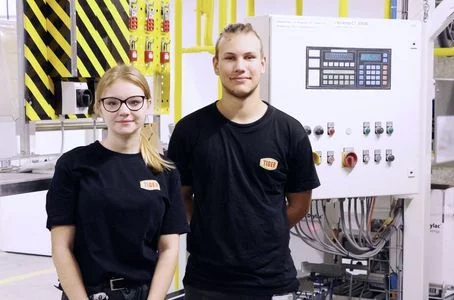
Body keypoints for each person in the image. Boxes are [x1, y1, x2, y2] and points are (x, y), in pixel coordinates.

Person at [167, 23, 321, 300]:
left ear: (263, 63)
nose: (240, 66)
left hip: (272, 281)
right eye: (230, 57)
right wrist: (211, 227)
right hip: (206, 283)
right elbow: (181, 197)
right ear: (216, 64)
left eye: (249, 57)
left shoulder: (290, 132)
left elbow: (299, 204)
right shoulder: (189, 131)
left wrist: (263, 227)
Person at [46, 64, 189, 300]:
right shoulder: (74, 165)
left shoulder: (164, 170)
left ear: (148, 104)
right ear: (99, 107)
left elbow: (169, 249)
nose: (124, 111)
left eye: (134, 101)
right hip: (89, 294)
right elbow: (61, 248)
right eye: (112, 103)